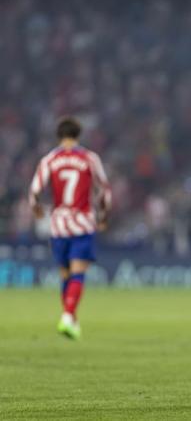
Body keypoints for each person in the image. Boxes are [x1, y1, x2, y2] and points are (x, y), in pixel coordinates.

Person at [29, 117, 111, 340]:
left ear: (59, 135)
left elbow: (35, 190)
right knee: (78, 273)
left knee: (65, 274)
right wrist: (103, 216)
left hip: (58, 225)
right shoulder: (88, 158)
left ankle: (70, 319)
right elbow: (104, 190)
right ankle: (68, 315)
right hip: (82, 222)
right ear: (78, 135)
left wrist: (36, 209)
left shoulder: (49, 159)